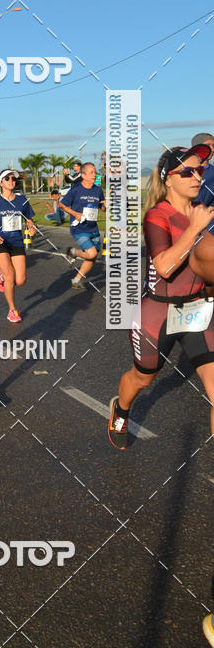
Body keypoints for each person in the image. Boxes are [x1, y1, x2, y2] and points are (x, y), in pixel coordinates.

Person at [108, 144, 214, 450]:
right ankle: (122, 410)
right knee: (143, 379)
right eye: (187, 171)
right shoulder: (157, 215)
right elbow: (165, 267)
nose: (196, 176)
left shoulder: (202, 210)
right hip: (157, 314)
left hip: (197, 311)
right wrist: (195, 229)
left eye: (200, 170)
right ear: (169, 179)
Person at [0, 169, 37, 323]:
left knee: (20, 280)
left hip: (17, 242)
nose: (11, 180)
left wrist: (31, 228)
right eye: (7, 178)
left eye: (13, 178)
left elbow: (29, 220)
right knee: (10, 276)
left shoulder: (22, 200)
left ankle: (1, 274)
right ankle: (12, 310)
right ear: (1, 183)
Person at [60, 163, 105, 288]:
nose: (94, 175)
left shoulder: (98, 190)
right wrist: (75, 213)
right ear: (83, 175)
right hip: (79, 228)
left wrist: (106, 205)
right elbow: (62, 205)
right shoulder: (76, 190)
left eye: (95, 172)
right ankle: (73, 252)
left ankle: (76, 280)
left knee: (92, 258)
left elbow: (102, 208)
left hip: (93, 229)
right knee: (92, 254)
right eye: (91, 172)